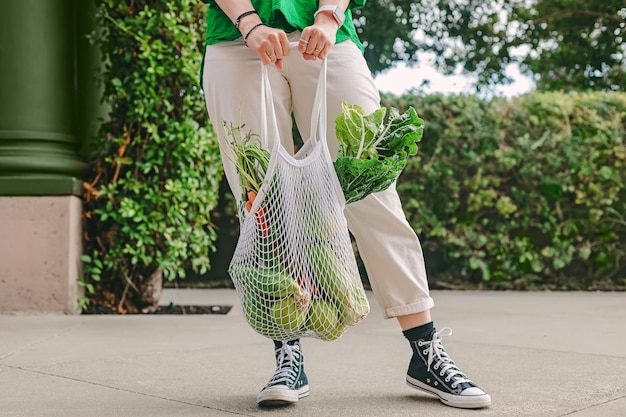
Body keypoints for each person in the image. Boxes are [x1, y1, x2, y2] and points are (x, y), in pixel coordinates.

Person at [200, 0, 491, 410]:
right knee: (263, 197)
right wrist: (249, 23)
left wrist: (329, 16)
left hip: (326, 35)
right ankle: (288, 353)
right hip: (236, 39)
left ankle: (425, 351)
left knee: (372, 187)